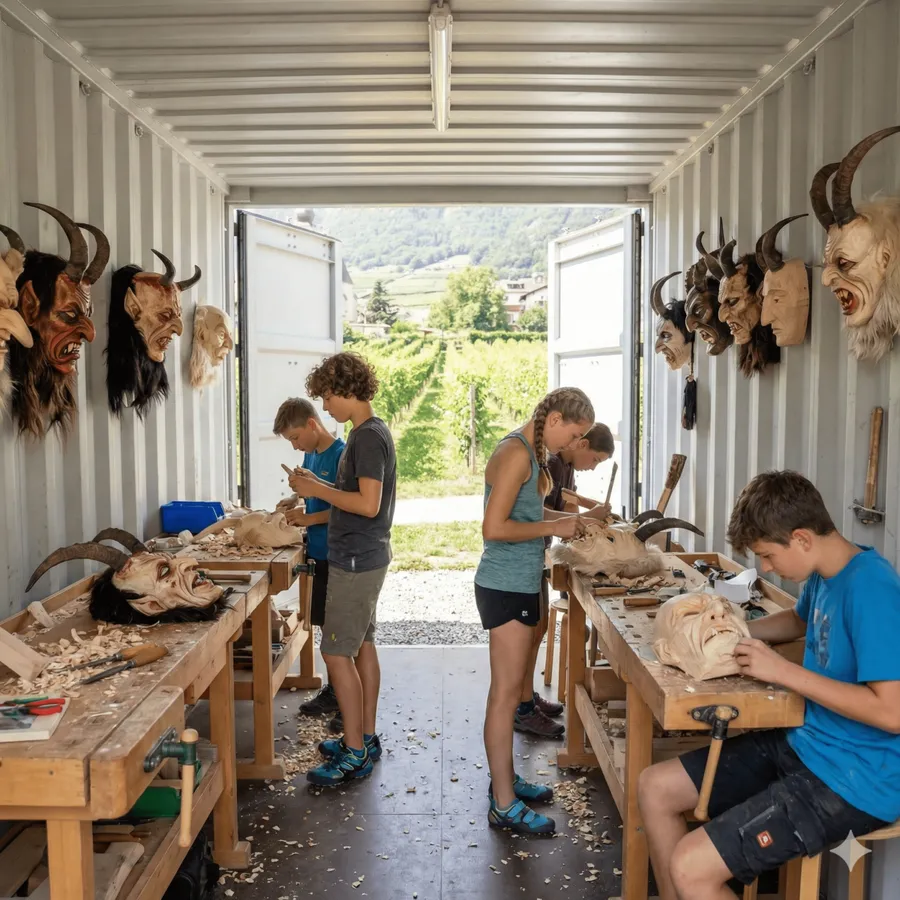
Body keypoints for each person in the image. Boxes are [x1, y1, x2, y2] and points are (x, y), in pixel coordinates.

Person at [638, 470, 900, 900]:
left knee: (691, 867)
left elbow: (892, 713)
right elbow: (799, 620)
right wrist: (734, 634)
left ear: (801, 538)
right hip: (805, 743)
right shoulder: (824, 573)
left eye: (767, 555)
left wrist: (783, 672)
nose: (765, 568)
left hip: (856, 778)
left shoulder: (872, 590)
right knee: (655, 787)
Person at [476, 386, 595, 834]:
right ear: (556, 418)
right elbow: (493, 527)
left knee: (507, 694)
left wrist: (568, 521)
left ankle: (504, 783)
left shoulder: (533, 452)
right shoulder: (516, 454)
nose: (573, 444)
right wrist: (557, 525)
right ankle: (503, 804)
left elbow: (524, 513)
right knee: (505, 697)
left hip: (521, 581)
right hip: (504, 584)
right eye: (574, 434)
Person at [287, 352, 397, 787]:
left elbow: (367, 505)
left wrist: (317, 489)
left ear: (349, 390)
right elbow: (355, 494)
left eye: (329, 396)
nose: (325, 406)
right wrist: (322, 487)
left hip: (355, 558)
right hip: (363, 555)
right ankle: (364, 737)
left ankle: (354, 753)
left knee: (335, 653)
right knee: (361, 647)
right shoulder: (365, 433)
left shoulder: (367, 438)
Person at [515, 422, 616, 738]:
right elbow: (542, 514)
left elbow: (564, 504)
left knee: (539, 628)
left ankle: (526, 698)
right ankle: (522, 708)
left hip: (538, 553)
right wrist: (585, 517)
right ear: (580, 444)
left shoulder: (565, 466)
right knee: (530, 633)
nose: (593, 467)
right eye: (596, 460)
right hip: (527, 553)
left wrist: (586, 512)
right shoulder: (554, 462)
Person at [273, 397, 346, 729]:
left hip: (338, 555)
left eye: (295, 438)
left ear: (313, 425)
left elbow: (345, 508)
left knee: (341, 636)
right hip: (317, 552)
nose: (294, 446)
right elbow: (313, 495)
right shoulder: (311, 454)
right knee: (326, 631)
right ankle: (334, 691)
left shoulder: (341, 455)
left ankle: (349, 704)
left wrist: (307, 519)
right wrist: (295, 498)